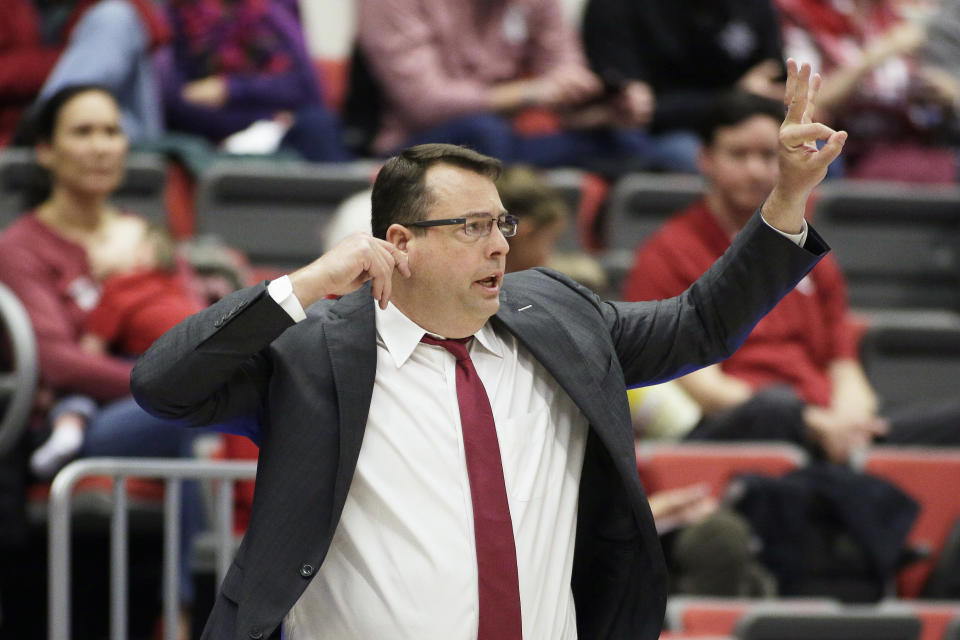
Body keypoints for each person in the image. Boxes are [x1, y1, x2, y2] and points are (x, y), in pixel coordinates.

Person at [131, 61, 841, 640]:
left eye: (501, 222)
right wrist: (305, 283)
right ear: (399, 244)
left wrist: (785, 199)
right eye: (473, 226)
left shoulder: (562, 318)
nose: (502, 243)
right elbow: (164, 383)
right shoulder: (314, 352)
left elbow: (701, 323)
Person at [623, 90, 960, 464]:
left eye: (768, 155)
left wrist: (849, 421)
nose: (754, 169)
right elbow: (702, 385)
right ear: (705, 160)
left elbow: (843, 363)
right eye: (738, 154)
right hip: (742, 426)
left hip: (824, 423)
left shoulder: (806, 248)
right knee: (776, 408)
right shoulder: (667, 252)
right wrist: (812, 421)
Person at [0, 84, 212, 636]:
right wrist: (168, 381)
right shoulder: (20, 248)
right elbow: (59, 363)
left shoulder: (141, 236)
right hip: (66, 428)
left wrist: (187, 373)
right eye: (83, 131)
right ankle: (183, 613)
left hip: (158, 407)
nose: (101, 146)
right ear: (46, 151)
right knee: (190, 410)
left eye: (112, 131)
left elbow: (194, 326)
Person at [353, 0, 685, 172]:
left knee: (632, 143)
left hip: (510, 144)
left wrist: (595, 105)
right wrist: (532, 93)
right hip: (413, 148)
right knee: (484, 134)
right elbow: (423, 102)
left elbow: (565, 67)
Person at [29, 220, 203, 477]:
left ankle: (69, 424)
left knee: (80, 387)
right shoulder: (175, 285)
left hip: (158, 369)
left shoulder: (119, 287)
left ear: (144, 252)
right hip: (189, 367)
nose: (89, 248)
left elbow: (91, 352)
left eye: (104, 241)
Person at [582, 0, 787, 173]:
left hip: (745, 124)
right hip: (658, 134)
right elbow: (640, 112)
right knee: (690, 157)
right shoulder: (618, 6)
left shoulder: (752, 6)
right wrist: (738, 94)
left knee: (811, 156)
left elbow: (773, 82)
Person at [775, 0, 958, 182]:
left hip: (905, 140)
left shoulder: (892, 14)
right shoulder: (802, 10)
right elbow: (810, 102)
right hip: (845, 139)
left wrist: (945, 92)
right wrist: (878, 53)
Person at [156, 0, 350, 162]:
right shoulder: (178, 12)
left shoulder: (273, 10)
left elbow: (307, 87)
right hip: (212, 135)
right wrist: (262, 117)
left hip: (277, 130)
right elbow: (174, 103)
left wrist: (229, 89)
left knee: (317, 124)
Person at [0, 0, 168, 148]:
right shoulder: (9, 7)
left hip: (121, 125)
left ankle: (42, 125)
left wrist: (79, 56)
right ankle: (47, 125)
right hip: (15, 127)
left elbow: (156, 31)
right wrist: (70, 57)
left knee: (114, 16)